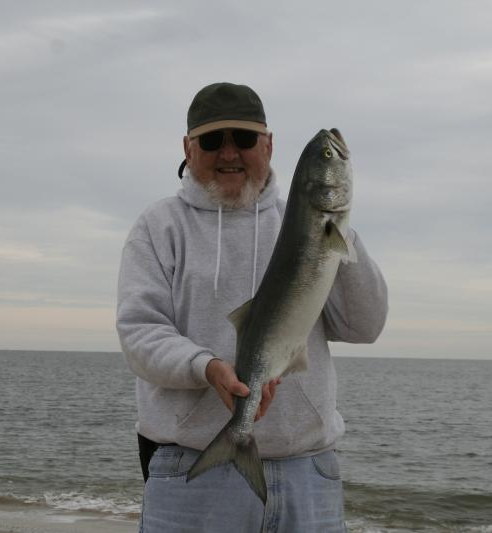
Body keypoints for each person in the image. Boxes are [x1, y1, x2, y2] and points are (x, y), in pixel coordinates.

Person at [117, 82, 388, 532]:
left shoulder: (303, 224)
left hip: (309, 474)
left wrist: (338, 229)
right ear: (188, 146)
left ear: (268, 145)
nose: (229, 153)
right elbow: (140, 334)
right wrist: (207, 367)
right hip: (193, 473)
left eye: (243, 139)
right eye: (211, 141)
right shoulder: (159, 226)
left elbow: (365, 325)